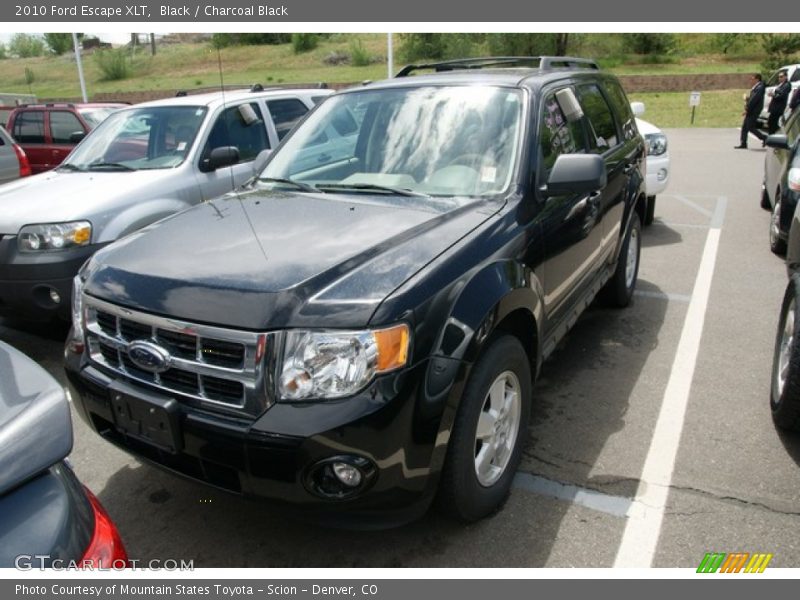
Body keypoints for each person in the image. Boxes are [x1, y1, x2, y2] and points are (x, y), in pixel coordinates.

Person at [735, 73, 766, 149]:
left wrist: (747, 109)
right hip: (751, 109)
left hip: (754, 110)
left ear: (757, 79)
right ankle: (743, 143)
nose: (751, 81)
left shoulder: (760, 87)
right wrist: (747, 99)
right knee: (745, 127)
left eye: (752, 79)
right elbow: (752, 99)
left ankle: (764, 138)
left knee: (750, 127)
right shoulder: (756, 87)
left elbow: (755, 100)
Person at [767, 70, 792, 134]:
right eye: (779, 77)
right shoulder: (781, 84)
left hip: (778, 107)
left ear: (786, 77)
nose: (779, 78)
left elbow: (781, 95)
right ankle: (773, 135)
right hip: (775, 106)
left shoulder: (787, 85)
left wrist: (773, 95)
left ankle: (772, 136)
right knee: (771, 122)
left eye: (781, 76)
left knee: (772, 122)